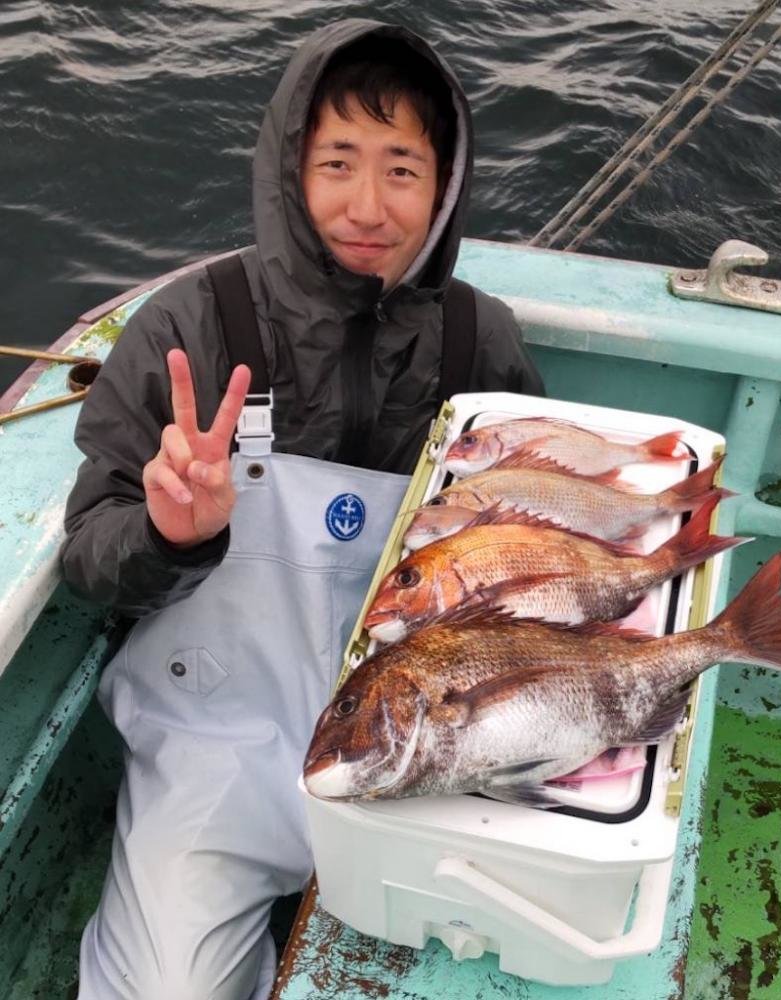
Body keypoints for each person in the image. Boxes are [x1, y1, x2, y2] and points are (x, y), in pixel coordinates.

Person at [61, 17, 544, 1000]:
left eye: (402, 170)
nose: (367, 206)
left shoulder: (479, 340)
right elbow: (87, 558)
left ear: (444, 185)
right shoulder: (190, 325)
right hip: (215, 745)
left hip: (423, 739)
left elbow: (520, 549)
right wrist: (167, 534)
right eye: (336, 163)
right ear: (290, 169)